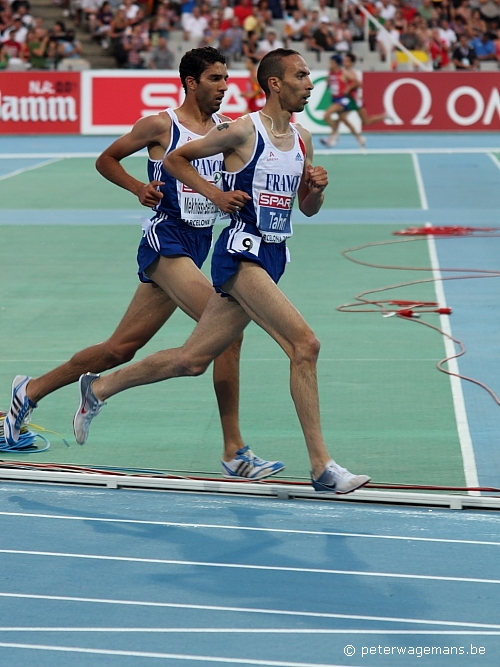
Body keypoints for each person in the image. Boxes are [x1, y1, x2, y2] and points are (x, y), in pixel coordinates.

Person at [72, 48, 371, 496]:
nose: (311, 84)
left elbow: (305, 210)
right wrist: (214, 194)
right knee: (304, 344)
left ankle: (98, 389)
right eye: (302, 76)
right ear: (275, 83)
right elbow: (176, 160)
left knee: (191, 360)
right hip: (239, 257)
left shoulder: (304, 138)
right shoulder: (241, 131)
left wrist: (316, 191)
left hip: (273, 256)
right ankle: (322, 467)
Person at [4, 46, 284, 482]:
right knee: (227, 332)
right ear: (191, 83)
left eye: (226, 79)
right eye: (215, 79)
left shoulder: (227, 131)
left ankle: (30, 390)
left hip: (197, 246)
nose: (224, 88)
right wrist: (138, 187)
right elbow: (106, 159)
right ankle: (235, 451)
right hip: (164, 242)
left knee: (120, 348)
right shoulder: (160, 126)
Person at [321, 54, 369, 148]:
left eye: (332, 62)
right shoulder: (331, 73)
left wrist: (348, 88)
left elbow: (357, 82)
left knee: (326, 116)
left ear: (336, 63)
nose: (330, 64)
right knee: (344, 120)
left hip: (342, 100)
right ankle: (359, 138)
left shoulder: (343, 73)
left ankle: (335, 134)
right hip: (335, 99)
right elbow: (328, 83)